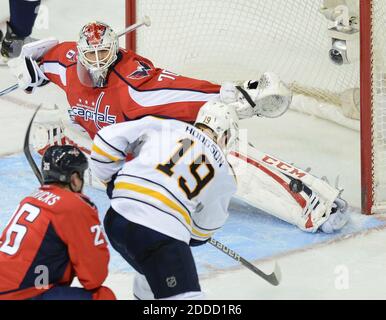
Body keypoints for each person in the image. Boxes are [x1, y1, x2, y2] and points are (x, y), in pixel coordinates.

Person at [8, 21, 348, 234]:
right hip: (110, 146)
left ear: (114, 53)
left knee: (226, 163)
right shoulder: (65, 63)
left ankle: (315, 200)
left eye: (103, 56)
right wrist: (28, 69)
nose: (96, 64)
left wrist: (235, 93)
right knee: (52, 130)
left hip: (154, 141)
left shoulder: (135, 87)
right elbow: (40, 57)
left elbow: (182, 89)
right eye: (90, 56)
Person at [89, 101, 238, 299]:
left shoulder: (164, 124)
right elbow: (203, 229)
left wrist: (113, 182)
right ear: (226, 136)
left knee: (150, 275)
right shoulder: (225, 172)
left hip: (116, 222)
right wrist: (185, 233)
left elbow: (105, 142)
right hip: (159, 236)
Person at [0, 145, 116, 300]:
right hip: (18, 295)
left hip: (10, 286)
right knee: (104, 297)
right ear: (74, 178)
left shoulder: (31, 198)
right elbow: (94, 277)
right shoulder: (74, 207)